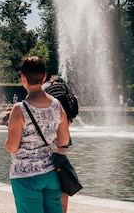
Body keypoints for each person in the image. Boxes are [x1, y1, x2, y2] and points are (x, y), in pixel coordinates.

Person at [5, 56, 70, 213]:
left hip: (25, 176)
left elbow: (12, 147)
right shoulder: (56, 105)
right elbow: (64, 140)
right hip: (51, 174)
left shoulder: (19, 109)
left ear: (23, 78)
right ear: (45, 77)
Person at [43, 73, 78, 213]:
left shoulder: (46, 91)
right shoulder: (67, 94)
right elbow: (73, 115)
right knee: (63, 183)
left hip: (48, 142)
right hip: (63, 144)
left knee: (47, 184)